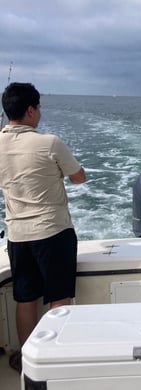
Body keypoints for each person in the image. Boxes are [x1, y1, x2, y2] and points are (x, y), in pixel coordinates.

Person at [0, 82, 86, 372]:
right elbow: (79, 178)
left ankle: (26, 357)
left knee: (25, 298)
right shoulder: (49, 143)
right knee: (58, 297)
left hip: (17, 235)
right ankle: (55, 357)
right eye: (38, 108)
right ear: (30, 110)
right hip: (53, 232)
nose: (40, 113)